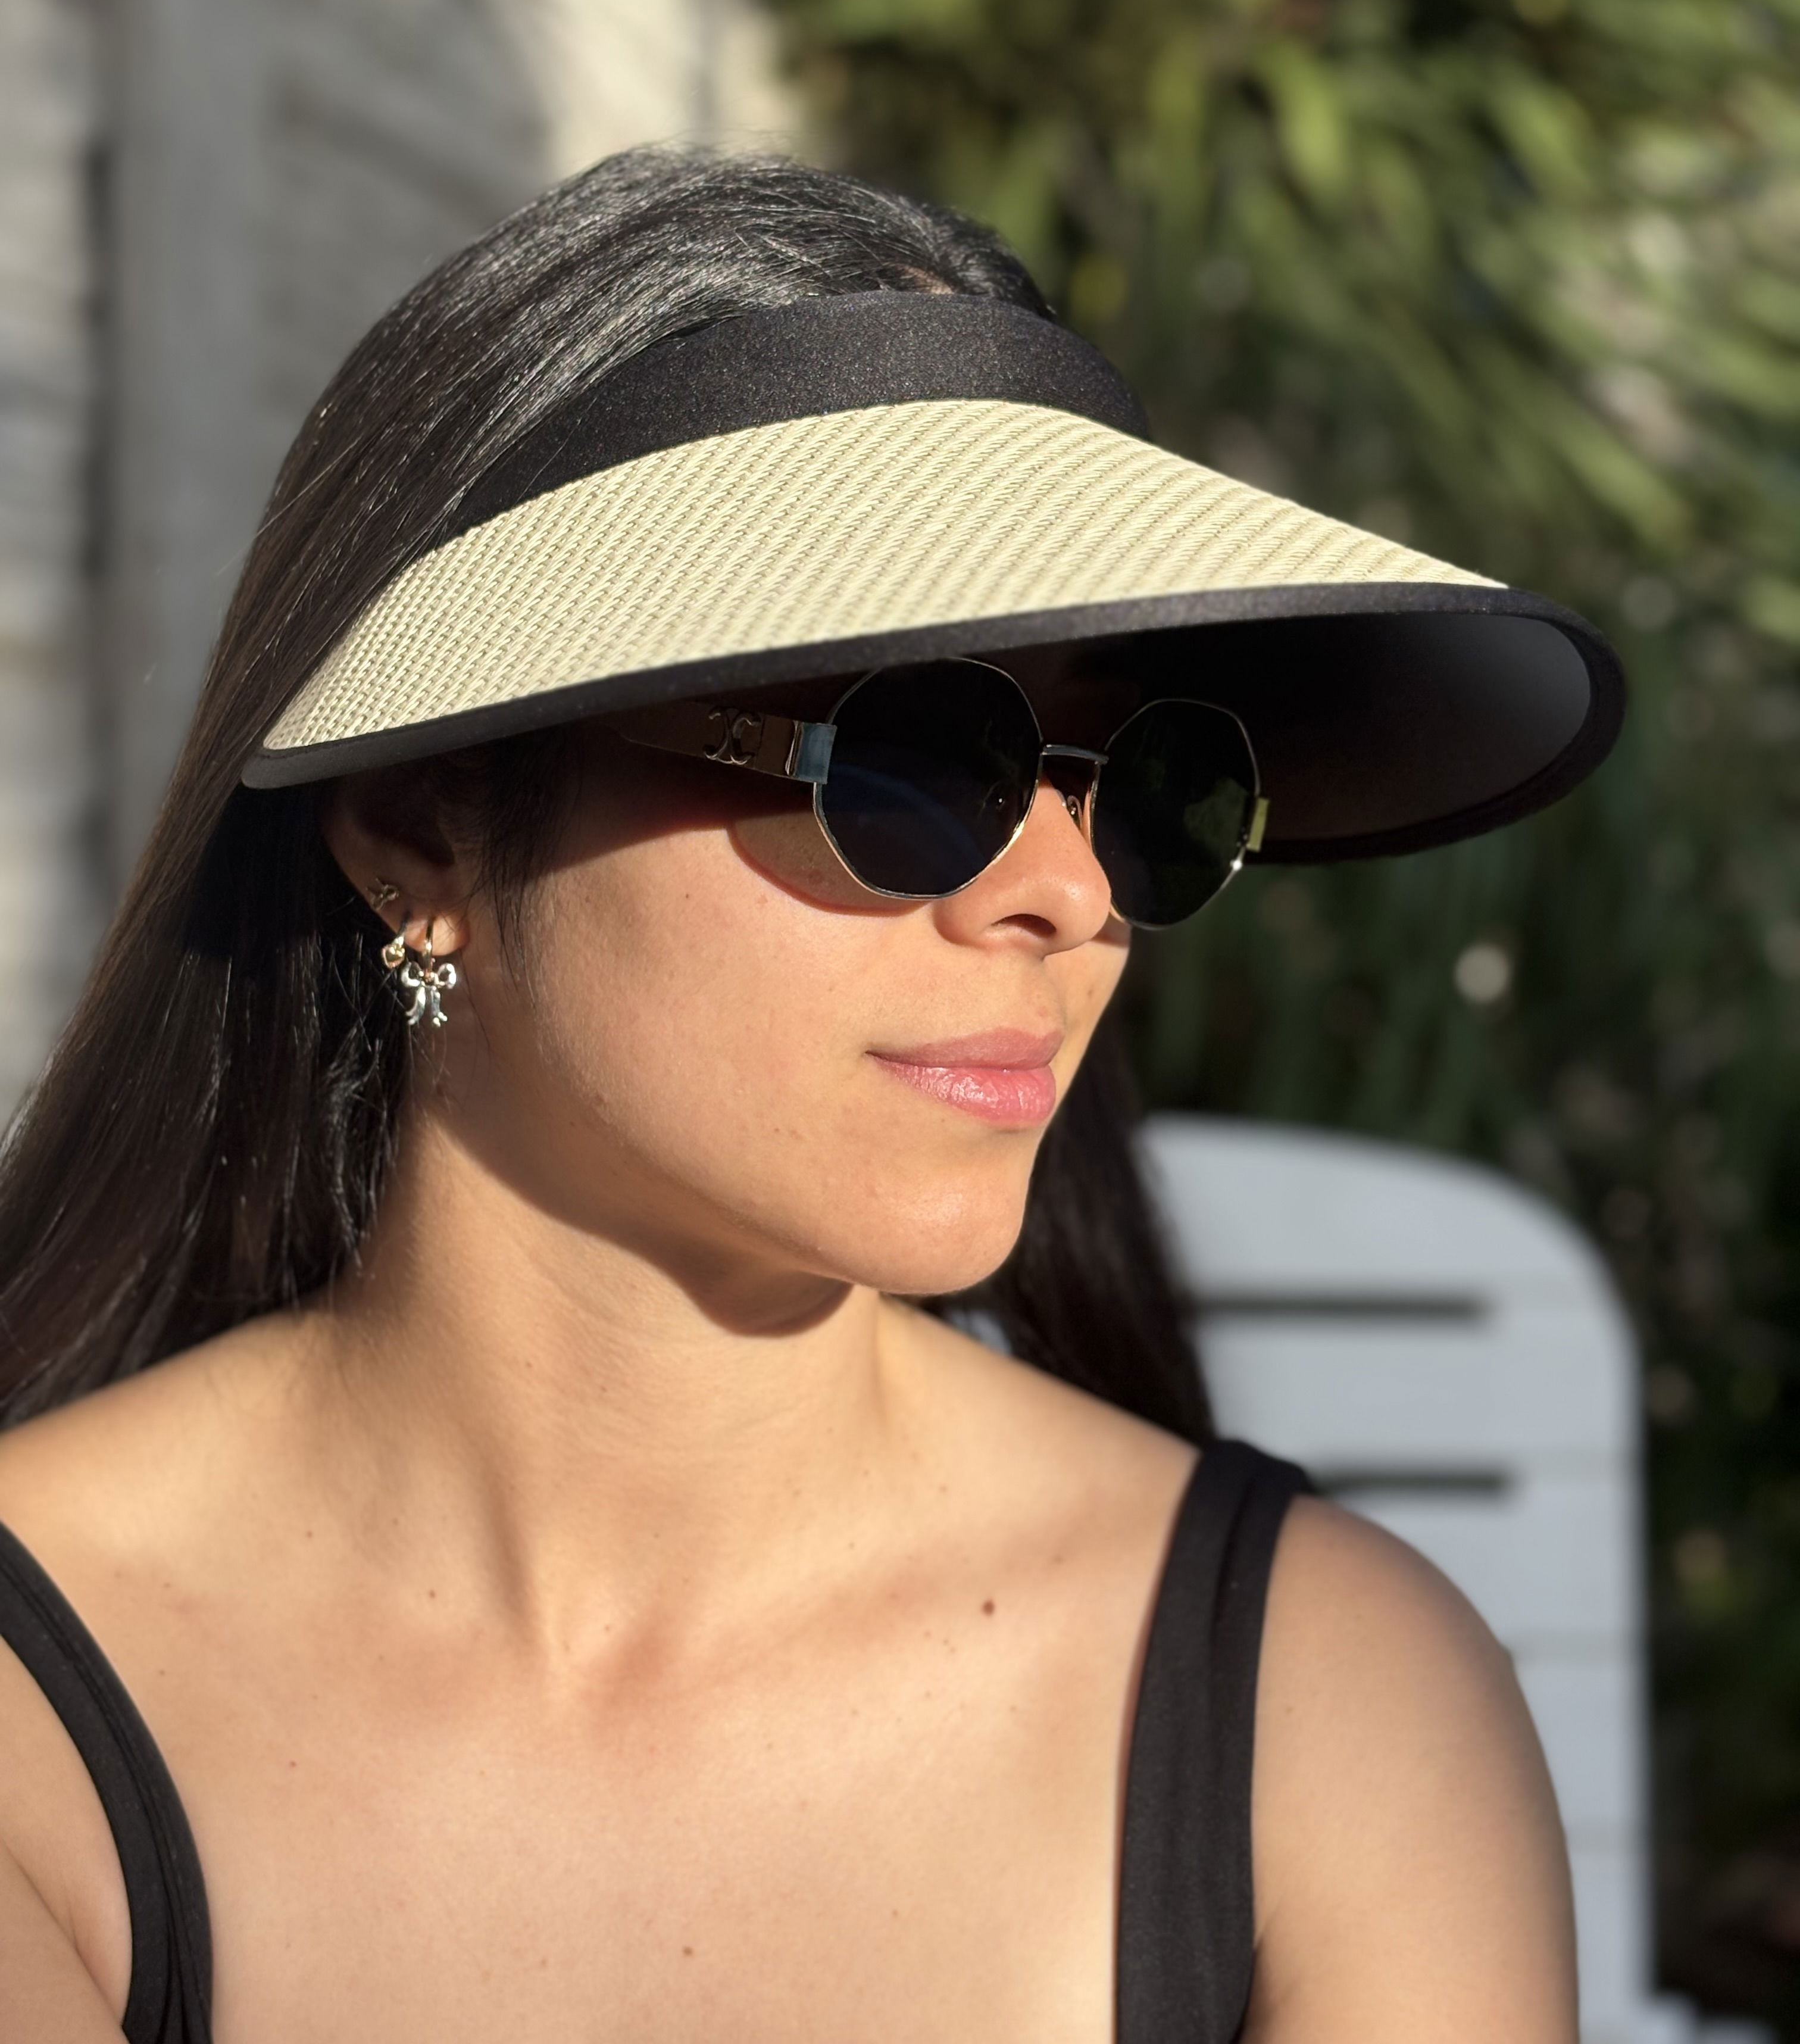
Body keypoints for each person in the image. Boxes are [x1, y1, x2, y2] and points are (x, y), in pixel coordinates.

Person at [0, 151, 1622, 2043]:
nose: (1068, 891)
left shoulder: (1333, 1715)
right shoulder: (44, 1708)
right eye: (915, 756)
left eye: (1146, 782)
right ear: (423, 827)